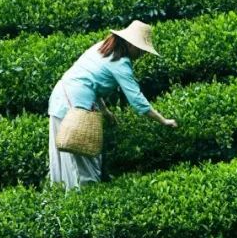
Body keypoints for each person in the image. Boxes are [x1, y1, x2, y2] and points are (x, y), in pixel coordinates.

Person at [47, 20, 177, 190]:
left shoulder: (102, 47)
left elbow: (91, 82)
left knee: (70, 156)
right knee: (85, 157)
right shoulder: (121, 64)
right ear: (130, 45)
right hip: (74, 104)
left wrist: (105, 111)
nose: (142, 54)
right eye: (141, 49)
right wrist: (163, 120)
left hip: (61, 96)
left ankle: (65, 195)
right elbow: (137, 101)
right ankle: (85, 200)